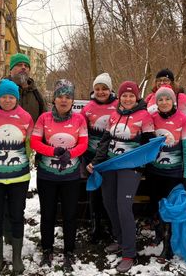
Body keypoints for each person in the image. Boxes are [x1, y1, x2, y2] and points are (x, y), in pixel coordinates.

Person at [0, 52, 47, 255]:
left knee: (14, 200)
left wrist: (38, 149)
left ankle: (8, 234)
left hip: (21, 156)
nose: (23, 68)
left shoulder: (35, 92)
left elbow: (43, 119)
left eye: (26, 65)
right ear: (11, 69)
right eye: (19, 65)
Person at [87, 81, 155, 273]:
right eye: (124, 95)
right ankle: (120, 239)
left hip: (130, 168)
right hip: (111, 164)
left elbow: (149, 145)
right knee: (109, 203)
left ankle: (129, 253)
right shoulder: (115, 114)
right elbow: (105, 142)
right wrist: (96, 161)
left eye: (131, 96)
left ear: (136, 97)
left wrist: (141, 164)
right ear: (120, 97)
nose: (127, 99)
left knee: (123, 207)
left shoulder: (144, 116)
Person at [30, 79, 88, 272]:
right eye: (60, 96)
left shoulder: (79, 119)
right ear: (53, 99)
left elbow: (83, 144)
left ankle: (69, 250)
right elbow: (35, 142)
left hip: (70, 177)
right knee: (48, 214)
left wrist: (69, 154)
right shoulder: (44, 118)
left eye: (68, 97)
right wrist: (53, 151)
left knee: (70, 215)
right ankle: (47, 249)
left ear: (72, 100)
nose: (64, 100)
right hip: (47, 176)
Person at [0, 80, 34, 275]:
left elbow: (29, 143)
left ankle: (17, 257)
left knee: (17, 215)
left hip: (19, 176)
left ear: (17, 98)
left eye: (12, 97)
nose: (8, 100)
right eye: (4, 96)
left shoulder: (26, 117)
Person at [145, 85, 186, 262]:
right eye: (160, 99)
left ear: (173, 100)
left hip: (173, 173)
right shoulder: (151, 118)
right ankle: (159, 234)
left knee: (170, 210)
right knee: (156, 206)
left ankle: (168, 246)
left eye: (167, 99)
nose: (164, 102)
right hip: (153, 171)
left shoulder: (183, 120)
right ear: (156, 102)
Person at [80, 72, 119, 243]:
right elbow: (79, 129)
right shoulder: (87, 108)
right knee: (94, 192)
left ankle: (112, 224)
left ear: (110, 90)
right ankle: (95, 225)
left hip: (111, 157)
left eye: (104, 89)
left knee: (110, 193)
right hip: (91, 157)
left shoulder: (119, 106)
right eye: (97, 89)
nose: (101, 92)